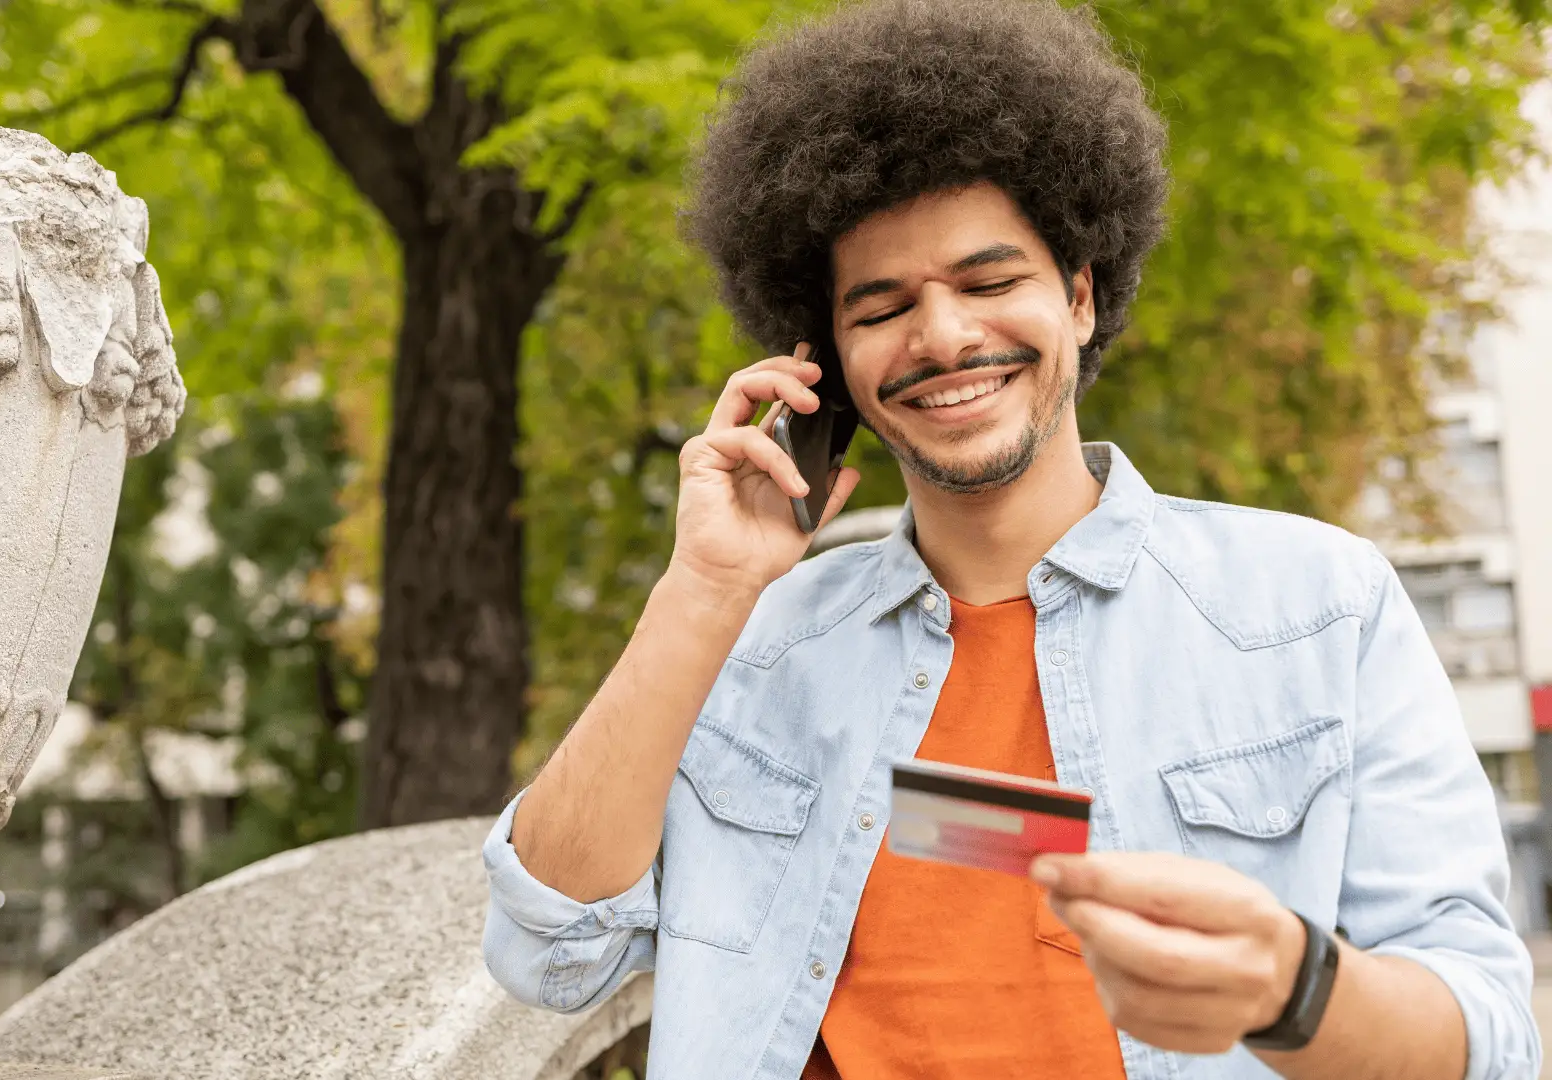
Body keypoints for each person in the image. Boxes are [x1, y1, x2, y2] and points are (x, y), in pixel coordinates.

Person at [479, 1, 1540, 1077]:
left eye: (990, 282)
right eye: (882, 306)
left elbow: (1489, 1039)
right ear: (828, 364)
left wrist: (1291, 986)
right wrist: (705, 588)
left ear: (1079, 297)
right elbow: (545, 953)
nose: (943, 337)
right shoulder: (744, 643)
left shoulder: (1319, 603)